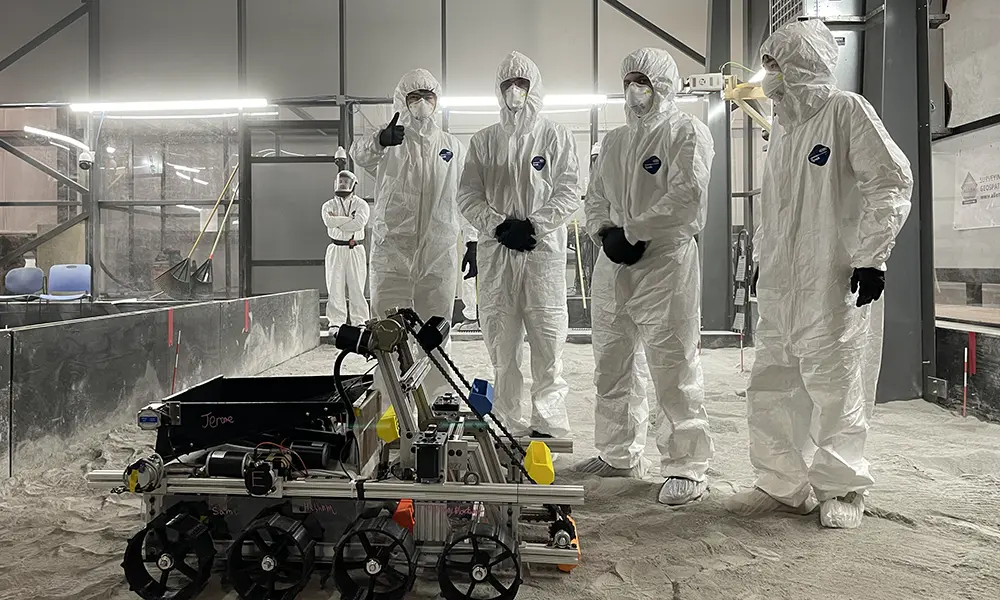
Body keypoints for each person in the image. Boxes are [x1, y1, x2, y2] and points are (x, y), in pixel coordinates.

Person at [724, 19, 912, 529]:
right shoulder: (782, 128)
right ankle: (781, 481)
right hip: (784, 283)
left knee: (835, 382)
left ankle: (843, 487)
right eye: (767, 67)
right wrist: (763, 260)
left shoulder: (846, 111)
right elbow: (774, 208)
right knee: (773, 382)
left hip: (832, 278)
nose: (768, 78)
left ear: (805, 66)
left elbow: (891, 182)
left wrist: (872, 256)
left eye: (776, 66)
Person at [576, 47, 716, 506]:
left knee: (672, 363)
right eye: (629, 81)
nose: (636, 90)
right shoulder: (614, 141)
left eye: (644, 81)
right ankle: (617, 452)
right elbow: (594, 195)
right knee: (611, 363)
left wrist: (636, 231)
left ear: (664, 84)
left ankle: (687, 466)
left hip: (664, 264)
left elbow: (688, 198)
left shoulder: (686, 132)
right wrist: (603, 232)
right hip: (613, 262)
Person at [458, 51, 581, 439]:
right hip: (498, 256)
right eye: (507, 85)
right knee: (501, 342)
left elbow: (570, 188)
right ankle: (507, 420)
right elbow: (467, 195)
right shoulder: (483, 141)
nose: (515, 92)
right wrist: (498, 227)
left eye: (522, 84)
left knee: (547, 340)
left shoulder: (555, 135)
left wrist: (534, 224)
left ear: (535, 88)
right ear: (498, 91)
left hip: (541, 253)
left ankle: (547, 421)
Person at [352, 68, 464, 331]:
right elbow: (359, 155)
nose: (422, 103)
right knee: (388, 334)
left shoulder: (452, 146)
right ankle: (391, 375)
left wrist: (471, 241)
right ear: (403, 100)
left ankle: (434, 375)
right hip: (392, 253)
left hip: (438, 253)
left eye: (428, 96)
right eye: (415, 96)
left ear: (437, 101)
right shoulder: (391, 141)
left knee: (435, 334)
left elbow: (465, 195)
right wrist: (380, 141)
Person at [322, 170, 370, 327]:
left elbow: (358, 224)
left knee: (357, 285)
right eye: (340, 181)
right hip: (336, 248)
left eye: (345, 182)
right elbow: (329, 222)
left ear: (353, 184)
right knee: (334, 286)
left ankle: (360, 320)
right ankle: (336, 322)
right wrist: (349, 218)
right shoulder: (328, 205)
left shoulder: (361, 204)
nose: (342, 184)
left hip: (355, 249)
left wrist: (338, 220)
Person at [457, 219, 479, 330]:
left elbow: (469, 218)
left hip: (473, 234)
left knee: (470, 274)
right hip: (471, 233)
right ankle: (473, 316)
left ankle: (473, 317)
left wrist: (472, 241)